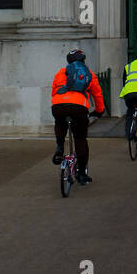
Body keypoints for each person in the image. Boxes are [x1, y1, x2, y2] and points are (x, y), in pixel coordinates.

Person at [50, 48, 105, 185]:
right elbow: (97, 95)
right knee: (80, 138)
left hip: (59, 105)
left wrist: (58, 105)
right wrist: (99, 110)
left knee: (60, 122)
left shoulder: (60, 73)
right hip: (79, 107)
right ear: (83, 60)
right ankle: (81, 174)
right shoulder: (89, 74)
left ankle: (59, 148)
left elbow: (54, 92)